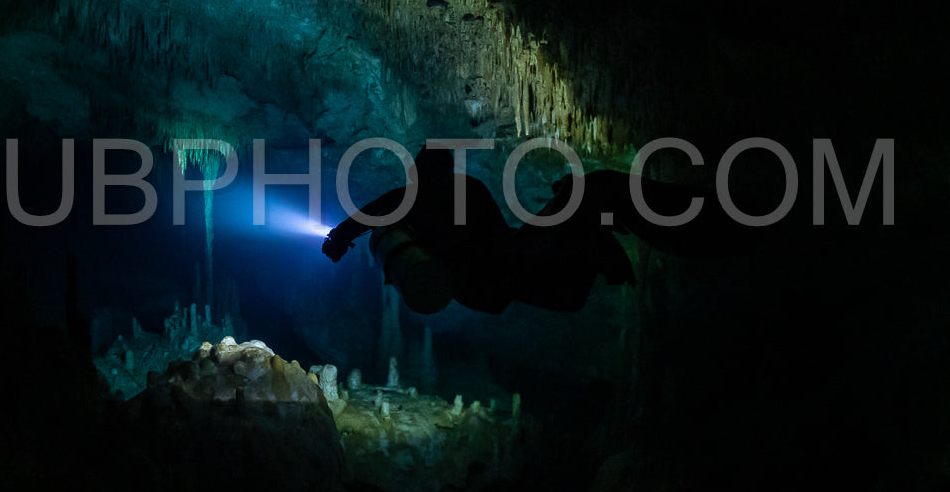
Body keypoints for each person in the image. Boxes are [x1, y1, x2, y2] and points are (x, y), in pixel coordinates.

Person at [323, 147, 754, 314]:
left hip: (522, 272)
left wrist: (342, 235)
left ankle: (712, 221)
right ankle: (716, 220)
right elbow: (388, 206)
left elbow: (383, 207)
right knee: (599, 189)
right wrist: (343, 233)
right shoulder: (440, 198)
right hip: (523, 266)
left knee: (595, 193)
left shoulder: (424, 208)